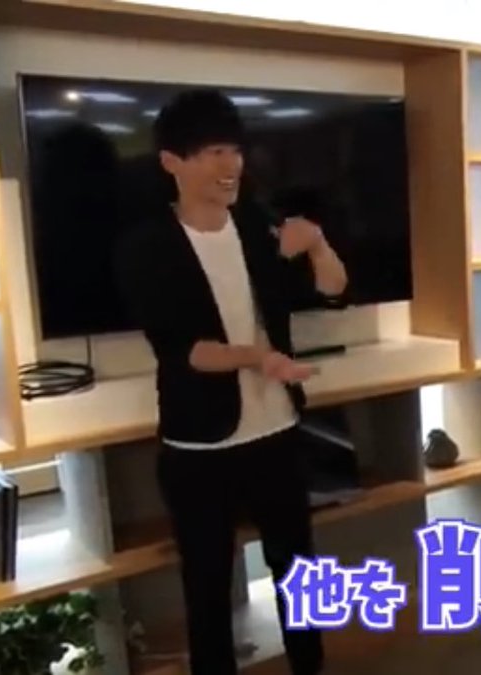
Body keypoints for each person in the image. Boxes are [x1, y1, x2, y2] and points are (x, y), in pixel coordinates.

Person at [114, 89, 348, 675]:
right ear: (171, 162)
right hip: (200, 446)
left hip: (277, 430)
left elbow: (333, 288)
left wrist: (319, 244)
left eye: (234, 149)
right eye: (212, 152)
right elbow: (185, 351)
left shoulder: (255, 225)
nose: (231, 164)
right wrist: (258, 358)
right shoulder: (147, 247)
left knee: (298, 570)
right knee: (208, 587)